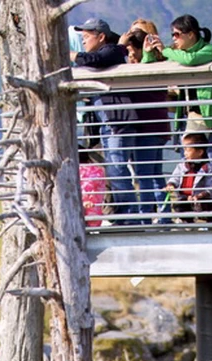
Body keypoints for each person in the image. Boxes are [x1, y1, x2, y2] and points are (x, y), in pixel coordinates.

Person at [142, 15, 212, 215]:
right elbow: (147, 66)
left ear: (191, 34)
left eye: (177, 34)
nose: (174, 39)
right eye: (172, 35)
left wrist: (166, 50)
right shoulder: (177, 53)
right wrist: (150, 53)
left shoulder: (209, 50)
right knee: (189, 165)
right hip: (190, 117)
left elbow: (192, 60)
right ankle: (193, 210)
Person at [72, 18, 139, 224]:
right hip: (108, 122)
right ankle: (124, 214)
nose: (83, 42)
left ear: (101, 37)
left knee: (117, 167)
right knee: (113, 167)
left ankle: (130, 217)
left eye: (86, 37)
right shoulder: (110, 51)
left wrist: (71, 55)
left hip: (117, 121)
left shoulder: (113, 51)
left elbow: (95, 61)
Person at [125, 30, 172, 222]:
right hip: (159, 127)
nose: (129, 55)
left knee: (144, 175)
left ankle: (146, 216)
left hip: (147, 128)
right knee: (155, 174)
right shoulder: (158, 62)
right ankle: (165, 215)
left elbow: (142, 80)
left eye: (130, 50)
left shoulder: (147, 66)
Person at [166, 132, 212, 222]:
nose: (185, 153)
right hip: (184, 198)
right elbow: (175, 177)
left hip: (199, 199)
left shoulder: (207, 168)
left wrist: (199, 196)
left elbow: (210, 188)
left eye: (188, 150)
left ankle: (205, 221)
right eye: (184, 150)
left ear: (199, 152)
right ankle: (186, 221)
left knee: (204, 205)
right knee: (179, 205)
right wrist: (171, 184)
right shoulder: (182, 165)